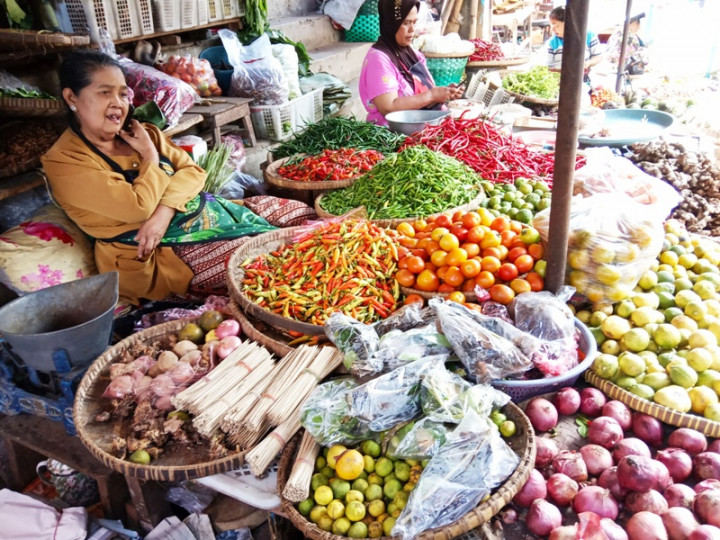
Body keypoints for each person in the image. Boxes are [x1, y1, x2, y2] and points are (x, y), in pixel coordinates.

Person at [41, 50, 273, 307]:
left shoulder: (142, 133)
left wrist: (164, 211)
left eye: (122, 93)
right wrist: (151, 158)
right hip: (157, 257)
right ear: (72, 97)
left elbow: (194, 172)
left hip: (201, 215)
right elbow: (138, 207)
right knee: (269, 259)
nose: (118, 102)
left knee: (298, 215)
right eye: (105, 93)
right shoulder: (65, 161)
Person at [358, 0, 464, 126]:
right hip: (395, 133)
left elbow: (421, 94)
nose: (412, 29)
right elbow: (388, 108)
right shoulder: (379, 59)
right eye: (406, 23)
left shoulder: (410, 52)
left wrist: (444, 92)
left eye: (414, 22)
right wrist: (431, 95)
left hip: (421, 126)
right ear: (391, 23)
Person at [546, 6, 604, 76]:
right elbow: (548, 67)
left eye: (556, 26)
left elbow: (598, 56)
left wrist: (588, 63)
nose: (553, 29)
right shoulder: (552, 42)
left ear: (567, 24)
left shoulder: (589, 35)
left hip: (583, 79)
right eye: (551, 26)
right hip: (559, 79)